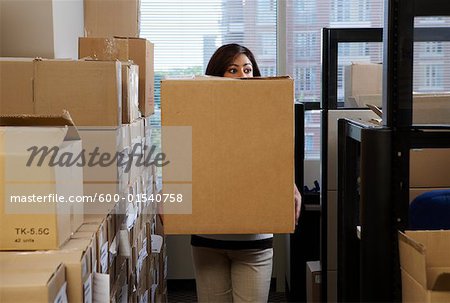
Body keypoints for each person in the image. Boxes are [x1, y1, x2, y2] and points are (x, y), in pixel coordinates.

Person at [191, 43, 302, 303]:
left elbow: (277, 162)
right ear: (217, 76)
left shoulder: (269, 115)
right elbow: (185, 160)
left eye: (248, 69)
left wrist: (290, 186)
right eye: (233, 70)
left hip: (254, 240)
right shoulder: (197, 114)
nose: (243, 76)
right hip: (208, 238)